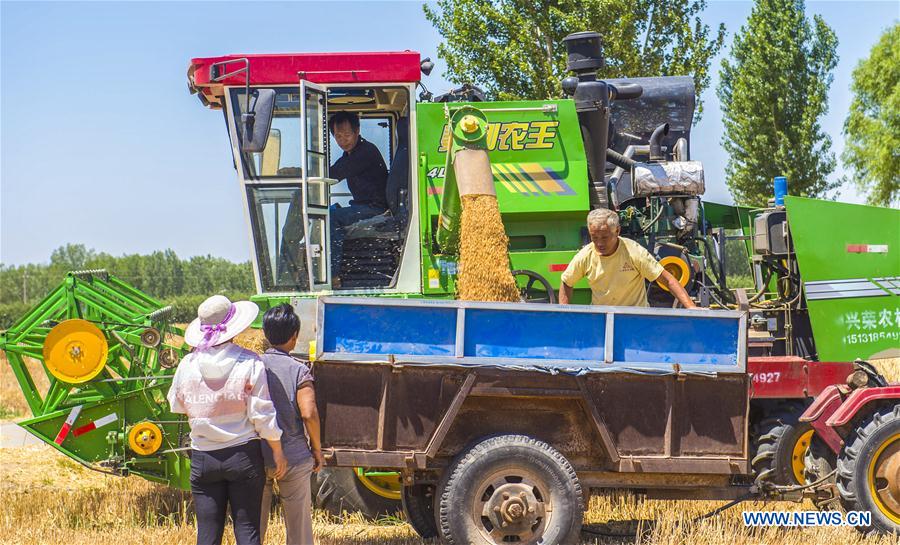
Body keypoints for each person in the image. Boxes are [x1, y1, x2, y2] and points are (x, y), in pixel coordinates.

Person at [167, 295, 289, 545]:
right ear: (234, 328)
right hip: (243, 456)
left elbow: (176, 404)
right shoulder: (250, 362)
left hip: (203, 457)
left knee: (208, 535)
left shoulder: (187, 364)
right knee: (248, 532)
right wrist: (277, 451)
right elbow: (262, 414)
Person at [259, 303, 324, 545]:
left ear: (266, 334)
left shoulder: (252, 365)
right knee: (299, 531)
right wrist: (316, 449)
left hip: (257, 454)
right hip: (294, 455)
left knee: (254, 528)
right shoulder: (299, 370)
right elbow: (309, 413)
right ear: (294, 337)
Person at [559, 208, 697, 308]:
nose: (599, 243)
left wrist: (691, 307)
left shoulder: (633, 252)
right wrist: (564, 314)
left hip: (635, 318)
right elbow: (567, 282)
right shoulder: (586, 255)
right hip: (602, 318)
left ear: (617, 231)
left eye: (605, 237)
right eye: (594, 237)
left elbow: (667, 279)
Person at [328, 111, 389, 286]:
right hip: (364, 206)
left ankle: (332, 275)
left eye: (347, 135)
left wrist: (302, 174)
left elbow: (335, 174)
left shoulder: (365, 152)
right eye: (338, 136)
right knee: (330, 212)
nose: (342, 140)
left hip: (375, 209)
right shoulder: (350, 154)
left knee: (331, 218)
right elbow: (334, 170)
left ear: (357, 131)